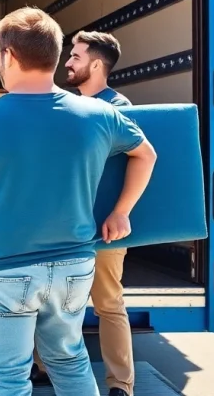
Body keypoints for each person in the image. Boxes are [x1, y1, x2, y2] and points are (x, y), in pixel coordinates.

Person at [0, 8, 156, 396]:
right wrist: (121, 211)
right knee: (70, 359)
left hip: (0, 271)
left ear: (8, 56)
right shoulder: (100, 114)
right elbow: (146, 154)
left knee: (7, 379)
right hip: (74, 267)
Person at [64, 30, 134, 396]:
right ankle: (44, 367)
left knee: (108, 304)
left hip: (102, 228)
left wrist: (121, 212)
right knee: (55, 305)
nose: (67, 62)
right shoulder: (66, 105)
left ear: (95, 64)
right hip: (64, 227)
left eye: (75, 56)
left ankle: (120, 384)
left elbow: (143, 158)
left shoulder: (118, 108)